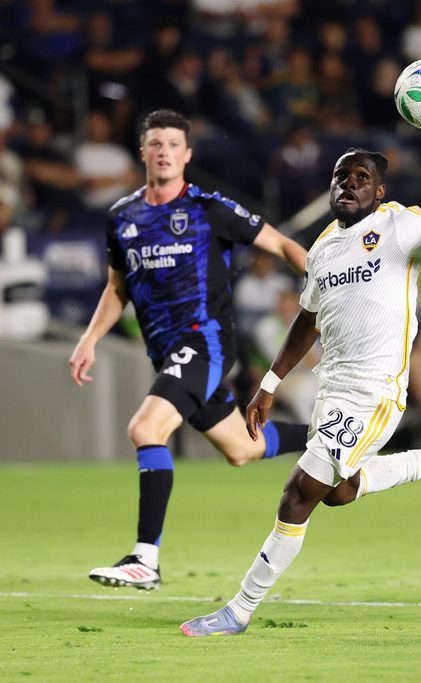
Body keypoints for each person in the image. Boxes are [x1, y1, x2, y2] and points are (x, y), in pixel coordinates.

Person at [180, 148, 421, 636]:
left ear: (379, 190)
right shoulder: (323, 247)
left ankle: (238, 610)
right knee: (339, 492)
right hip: (332, 388)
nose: (349, 184)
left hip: (374, 392)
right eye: (341, 176)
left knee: (298, 494)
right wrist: (269, 383)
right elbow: (307, 320)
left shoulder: (401, 225)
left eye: (361, 177)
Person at [69, 110, 310, 590]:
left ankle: (145, 559)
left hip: (206, 340)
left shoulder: (207, 208)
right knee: (243, 448)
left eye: (173, 144)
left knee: (145, 427)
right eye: (155, 143)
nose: (164, 151)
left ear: (187, 155)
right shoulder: (122, 217)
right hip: (167, 353)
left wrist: (331, 290)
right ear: (142, 152)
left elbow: (282, 245)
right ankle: (331, 435)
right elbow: (118, 288)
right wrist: (90, 337)